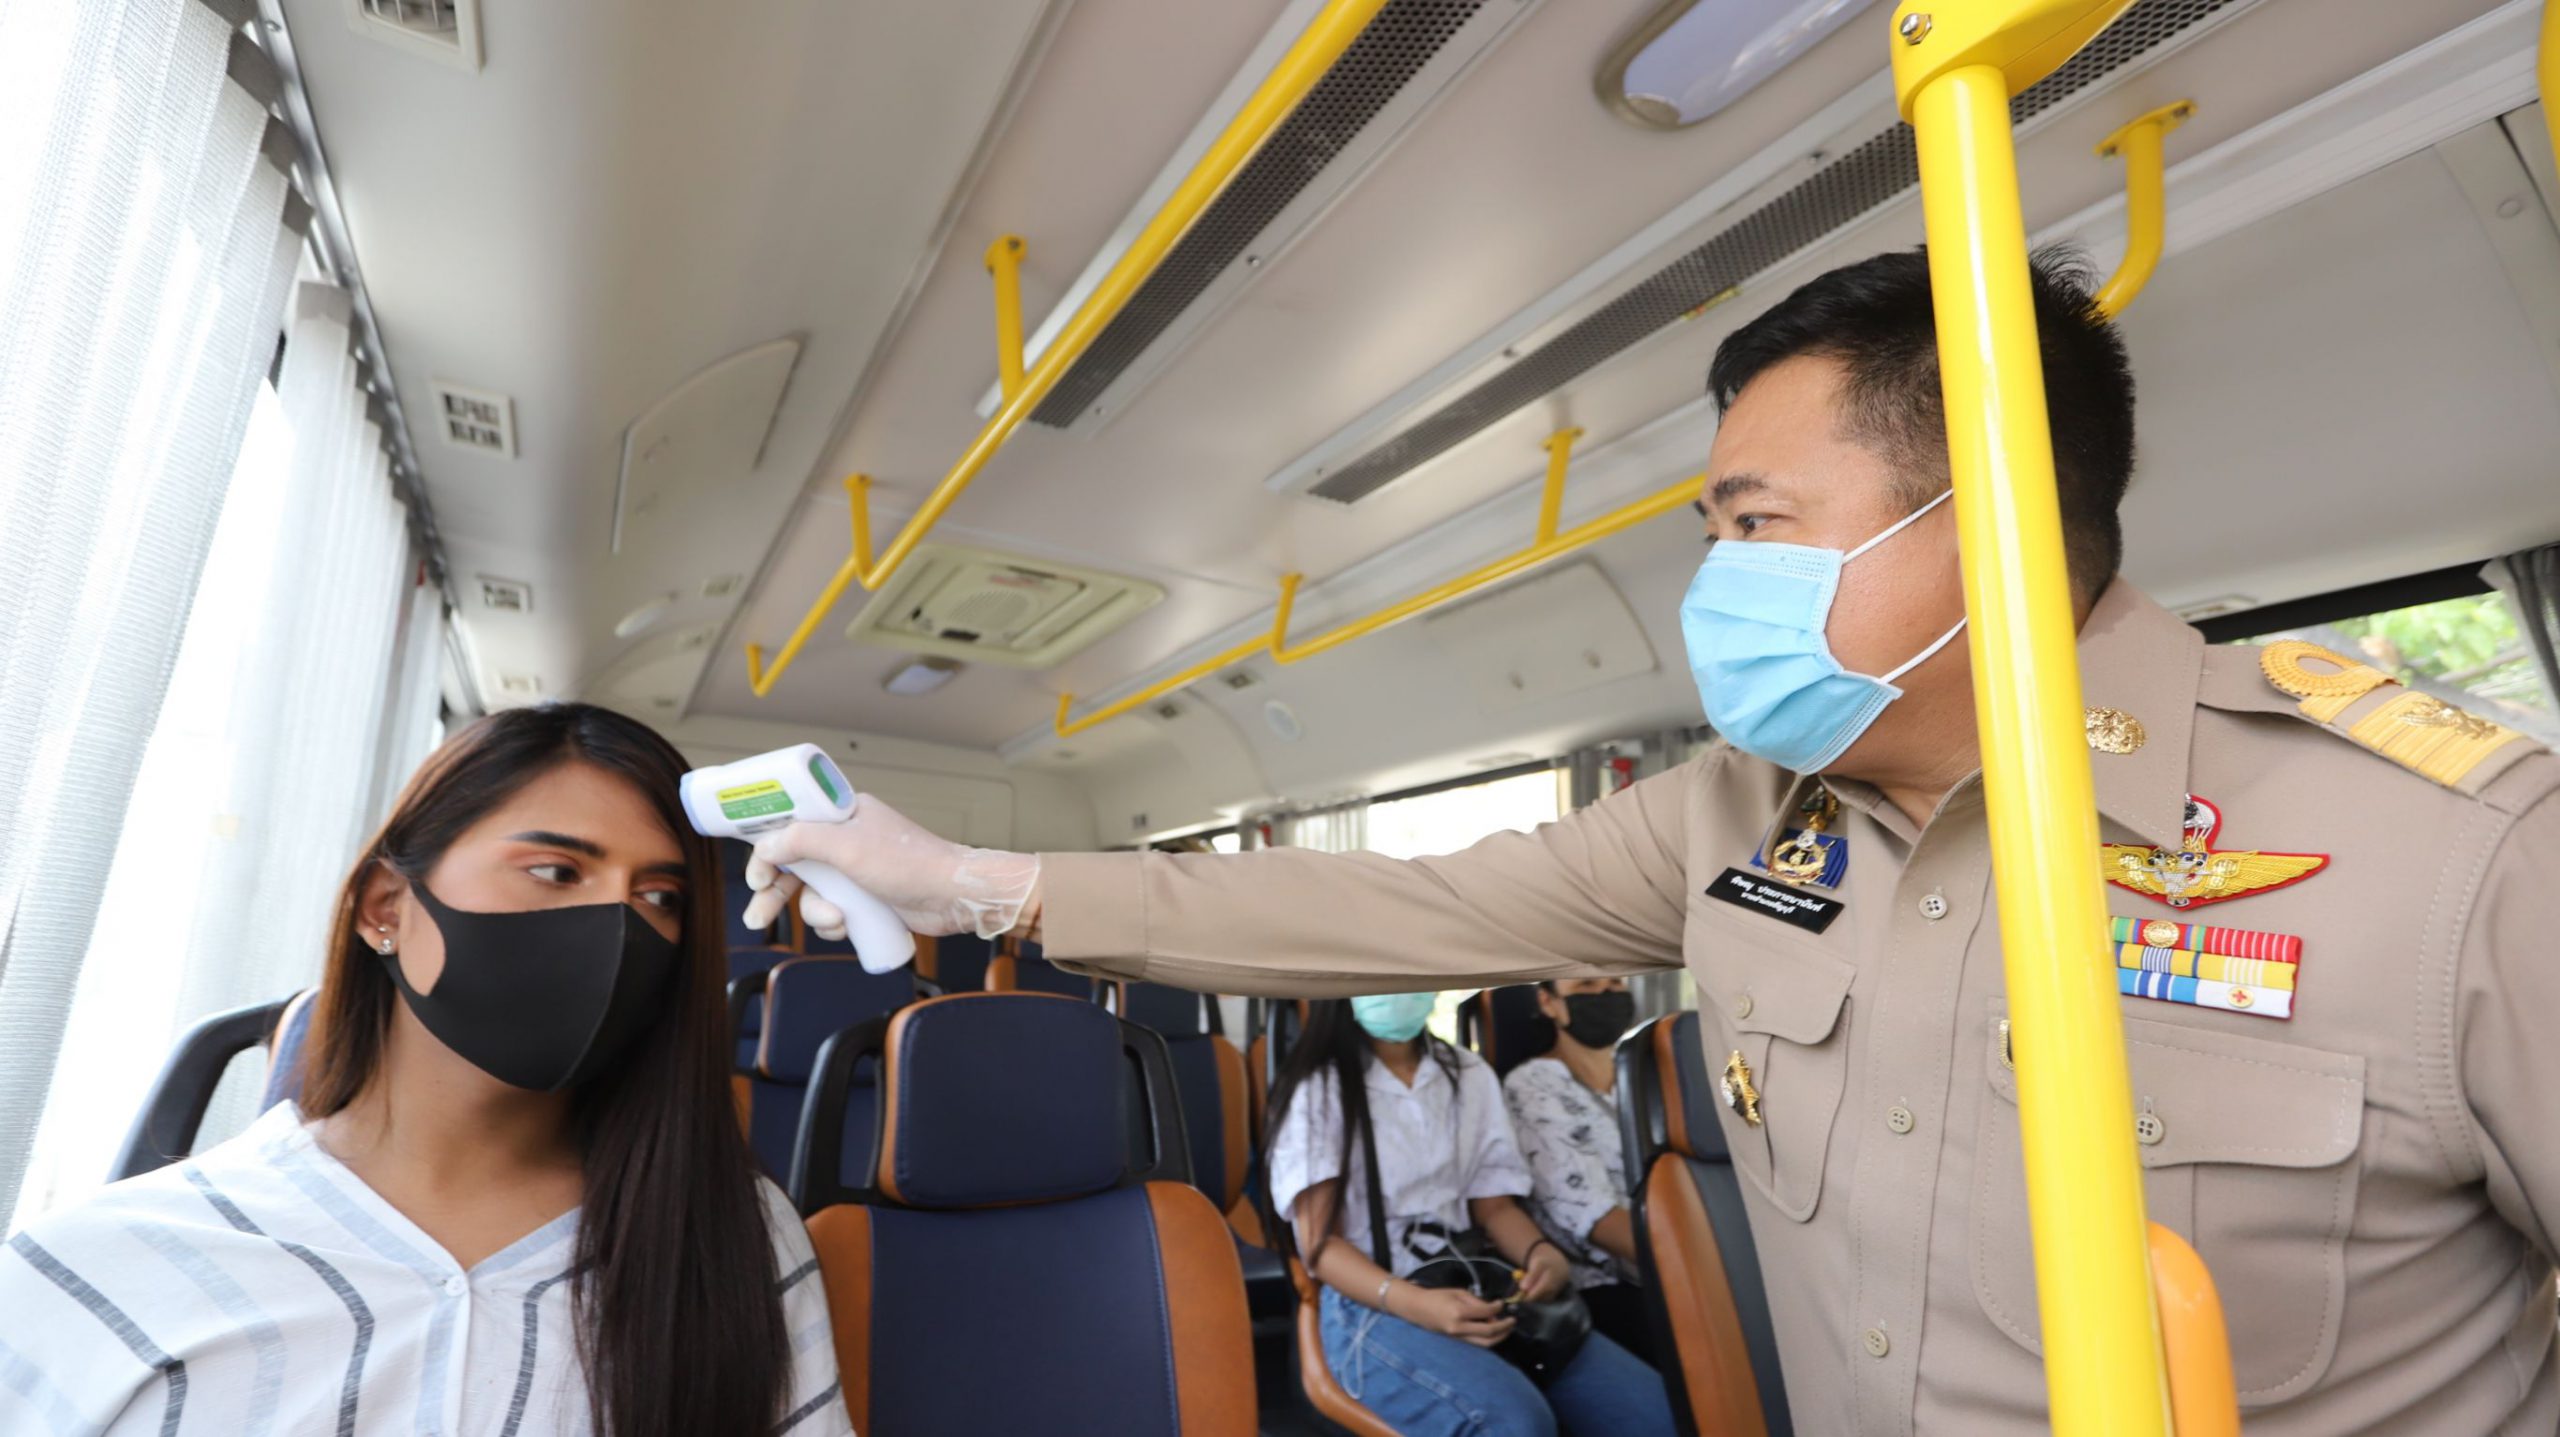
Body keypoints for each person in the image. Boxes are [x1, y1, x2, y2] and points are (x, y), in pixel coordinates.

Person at [742, 249, 2560, 1434]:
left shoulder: (2459, 859)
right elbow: (1391, 904)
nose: (1715, 584)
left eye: (1755, 525)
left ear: (1987, 513)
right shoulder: (1735, 819)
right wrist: (967, 881)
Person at [2, 704, 848, 1437]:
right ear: (385, 907)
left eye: (659, 897)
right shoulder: (105, 1264)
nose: (616, 928)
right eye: (555, 872)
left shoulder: (730, 1239)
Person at [1263, 995, 1676, 1437]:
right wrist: (1416, 1304)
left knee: (1658, 1417)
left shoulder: (1466, 1073)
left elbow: (1494, 1208)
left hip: (1469, 1277)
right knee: (1515, 1424)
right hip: (1370, 1299)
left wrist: (1540, 1253)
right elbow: (1321, 1247)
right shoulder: (1319, 1088)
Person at [1501, 978, 1651, 1364]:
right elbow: (1595, 1218)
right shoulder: (1532, 1087)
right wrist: (1700, 1259)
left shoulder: (1650, 1072)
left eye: (1615, 982)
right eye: (1586, 985)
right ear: (1548, 1002)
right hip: (1611, 1289)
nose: (1604, 994)